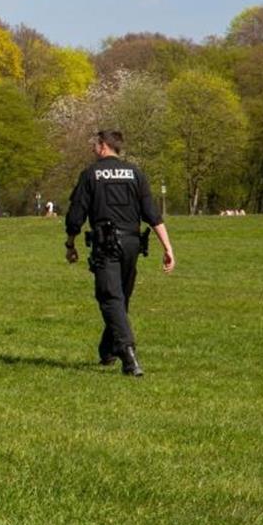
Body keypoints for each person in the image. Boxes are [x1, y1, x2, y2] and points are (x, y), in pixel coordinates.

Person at [64, 130, 176, 377]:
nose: (93, 150)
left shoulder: (91, 174)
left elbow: (76, 213)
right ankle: (108, 350)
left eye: (95, 145)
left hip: (106, 244)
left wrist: (70, 243)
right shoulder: (136, 173)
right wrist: (167, 246)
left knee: (110, 297)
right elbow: (152, 213)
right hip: (133, 244)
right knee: (120, 298)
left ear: (104, 146)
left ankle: (128, 354)